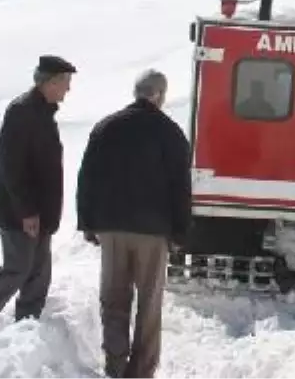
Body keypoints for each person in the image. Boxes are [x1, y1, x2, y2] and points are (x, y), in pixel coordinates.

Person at [76, 68, 191, 379]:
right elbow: (181, 185)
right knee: (149, 304)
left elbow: (87, 178)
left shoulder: (106, 127)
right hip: (153, 233)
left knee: (113, 298)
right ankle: (140, 372)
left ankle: (115, 365)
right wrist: (180, 232)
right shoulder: (170, 132)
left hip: (112, 228)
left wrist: (87, 222)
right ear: (160, 95)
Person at [0, 54, 75, 335]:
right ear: (49, 82)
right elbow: (12, 167)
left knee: (39, 272)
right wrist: (27, 211)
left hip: (40, 211)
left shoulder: (44, 112)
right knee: (18, 268)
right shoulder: (22, 111)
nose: (68, 89)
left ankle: (26, 328)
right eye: (65, 82)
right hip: (19, 211)